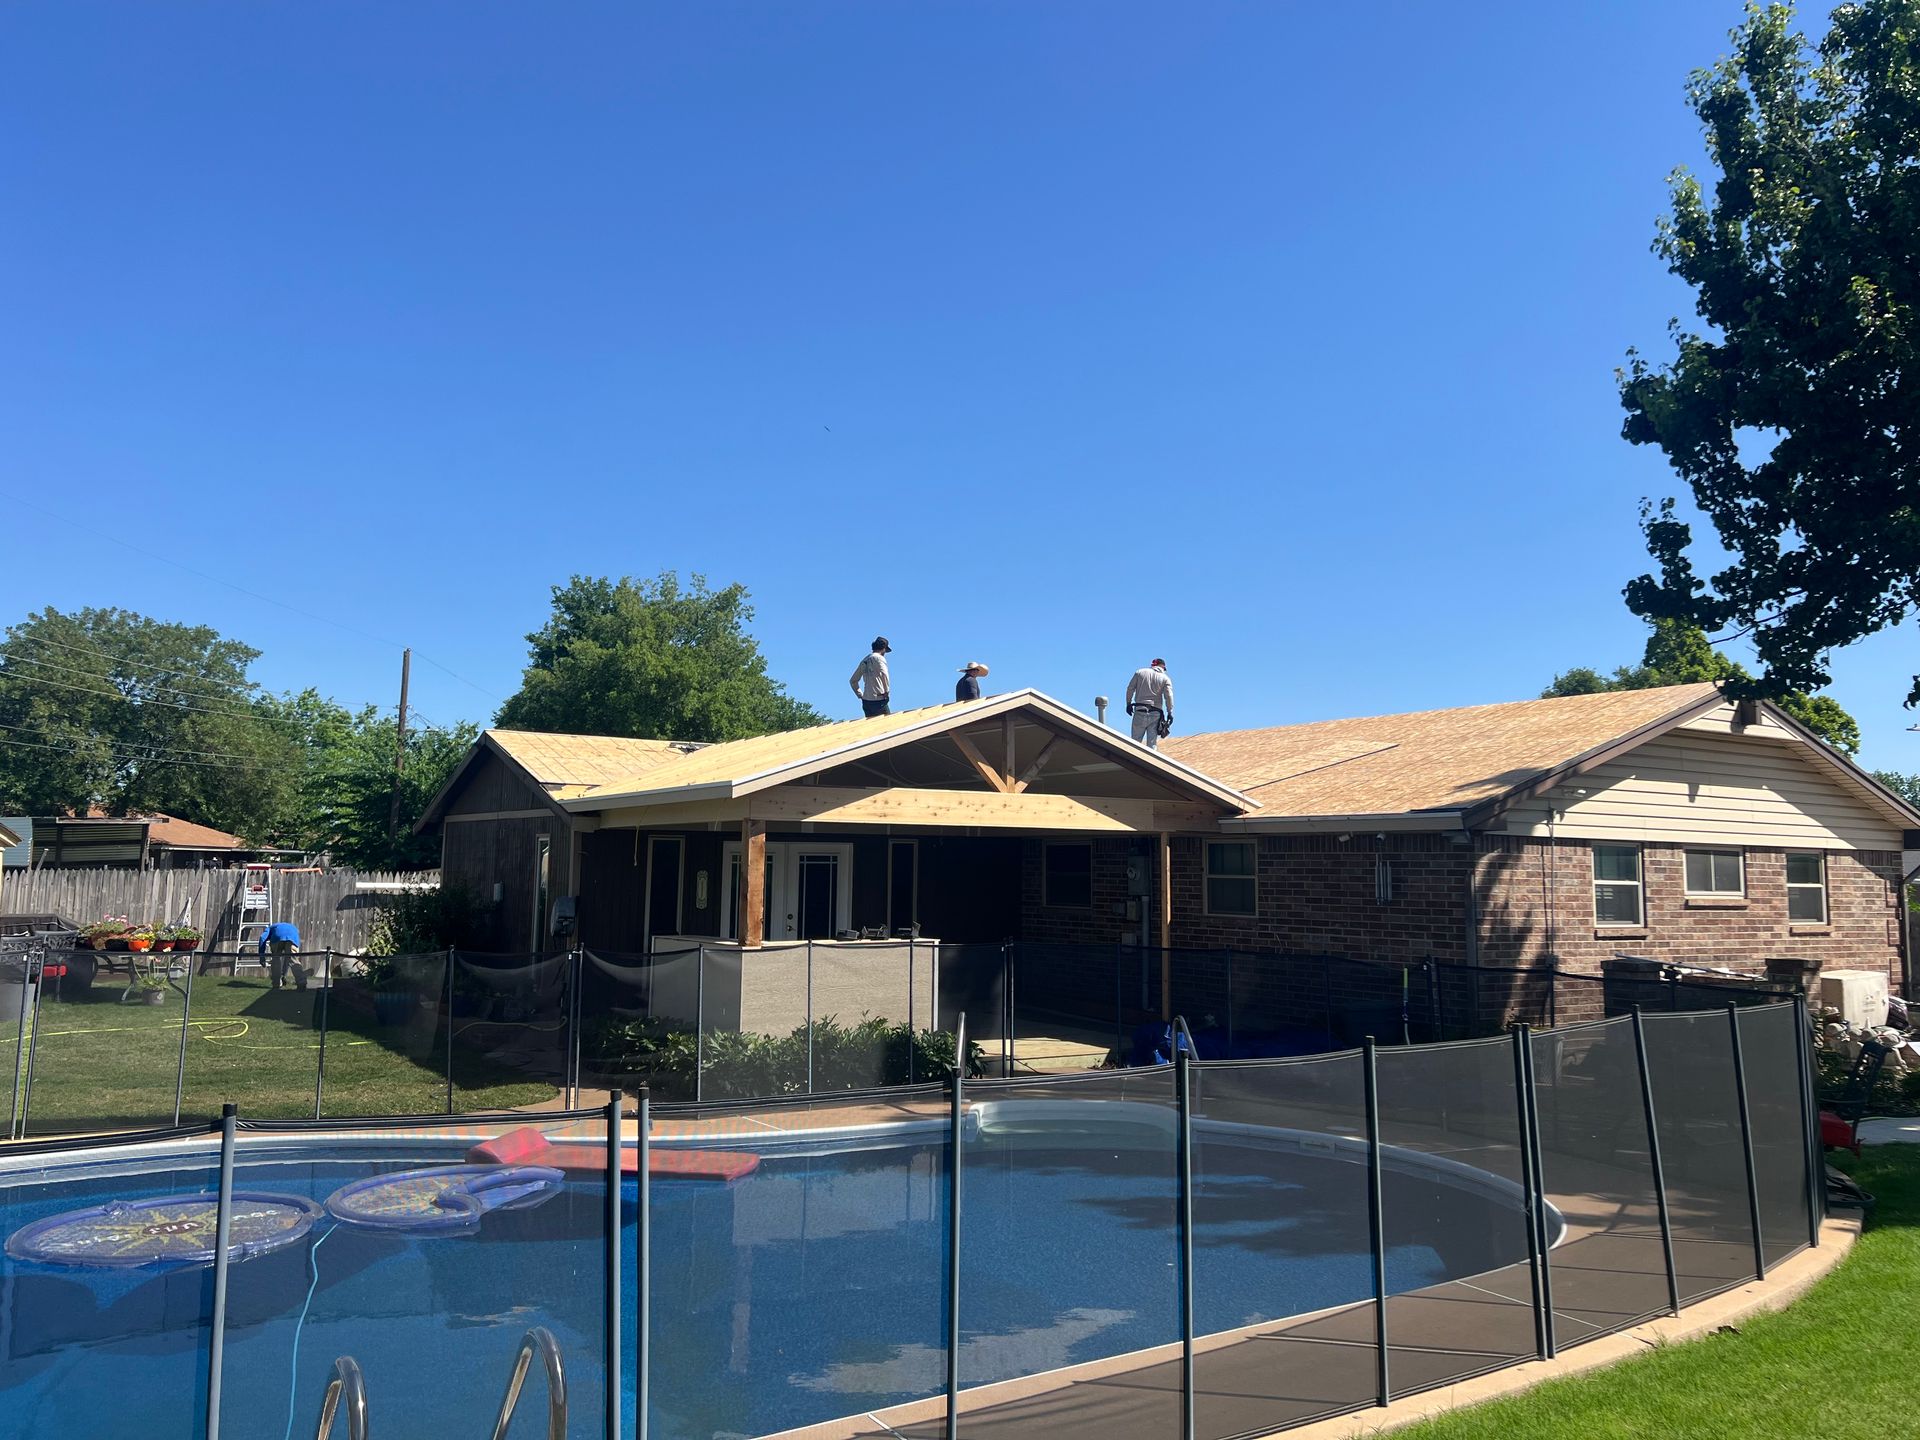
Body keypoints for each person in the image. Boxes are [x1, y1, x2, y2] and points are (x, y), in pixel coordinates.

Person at [1125, 658, 1174, 749]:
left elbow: (1130, 689)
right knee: (1152, 745)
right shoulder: (1165, 678)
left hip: (1140, 710)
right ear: (1163, 667)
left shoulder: (1140, 672)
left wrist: (1128, 703)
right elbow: (1169, 696)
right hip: (1155, 713)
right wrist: (1170, 712)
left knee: (1134, 744)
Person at [849, 636, 892, 717]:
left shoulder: (865, 660)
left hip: (867, 701)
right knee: (887, 723)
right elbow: (884, 674)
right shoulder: (879, 658)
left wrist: (860, 695)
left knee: (871, 724)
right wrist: (886, 692)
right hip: (879, 699)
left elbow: (853, 680)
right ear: (883, 648)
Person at [259, 920, 306, 990]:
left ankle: (276, 984)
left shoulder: (270, 928)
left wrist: (262, 957)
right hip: (293, 937)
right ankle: (301, 982)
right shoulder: (292, 927)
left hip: (276, 937)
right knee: (293, 960)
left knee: (276, 960)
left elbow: (262, 938)